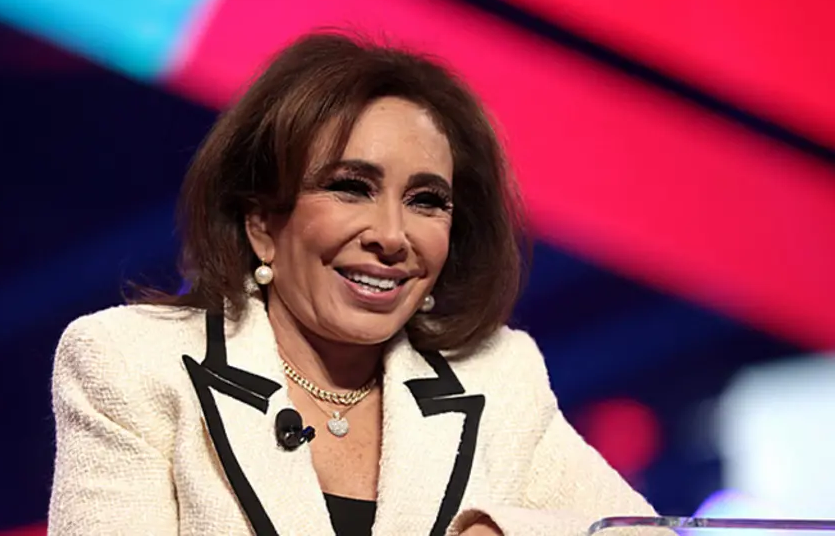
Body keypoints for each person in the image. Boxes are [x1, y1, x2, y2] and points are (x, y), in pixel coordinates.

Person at [48, 31, 656, 536]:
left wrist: (504, 533)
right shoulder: (129, 362)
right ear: (262, 224)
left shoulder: (497, 375)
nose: (392, 235)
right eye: (351, 187)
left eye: (426, 200)